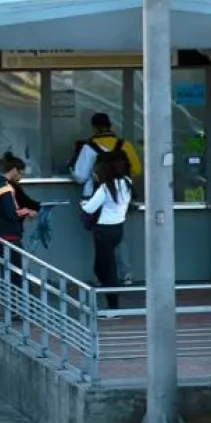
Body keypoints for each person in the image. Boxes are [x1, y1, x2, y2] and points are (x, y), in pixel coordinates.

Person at [70, 112, 141, 284]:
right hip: (120, 195)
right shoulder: (125, 145)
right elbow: (137, 169)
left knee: (101, 240)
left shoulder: (88, 147)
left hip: (95, 195)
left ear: (94, 127)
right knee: (120, 236)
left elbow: (80, 176)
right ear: (110, 126)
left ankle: (104, 277)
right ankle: (126, 274)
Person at [0, 152, 37, 317]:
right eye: (21, 174)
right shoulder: (5, 188)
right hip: (8, 237)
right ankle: (16, 310)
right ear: (13, 170)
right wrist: (27, 211)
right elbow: (11, 213)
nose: (21, 178)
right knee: (15, 273)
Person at [80, 156, 133, 316]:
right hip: (118, 228)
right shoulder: (127, 182)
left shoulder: (105, 188)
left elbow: (89, 208)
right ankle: (112, 299)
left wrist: (82, 204)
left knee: (105, 269)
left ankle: (113, 307)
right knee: (106, 267)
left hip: (103, 230)